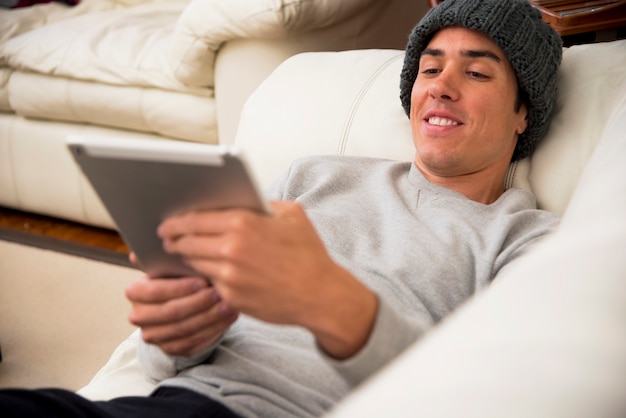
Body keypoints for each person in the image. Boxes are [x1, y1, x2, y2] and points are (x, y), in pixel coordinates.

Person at [0, 0, 563, 417]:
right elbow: (163, 361)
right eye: (430, 68)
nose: (441, 86)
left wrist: (333, 303)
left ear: (523, 113)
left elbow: (482, 395)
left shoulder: (526, 240)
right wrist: (177, 331)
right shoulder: (314, 174)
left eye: (478, 71)